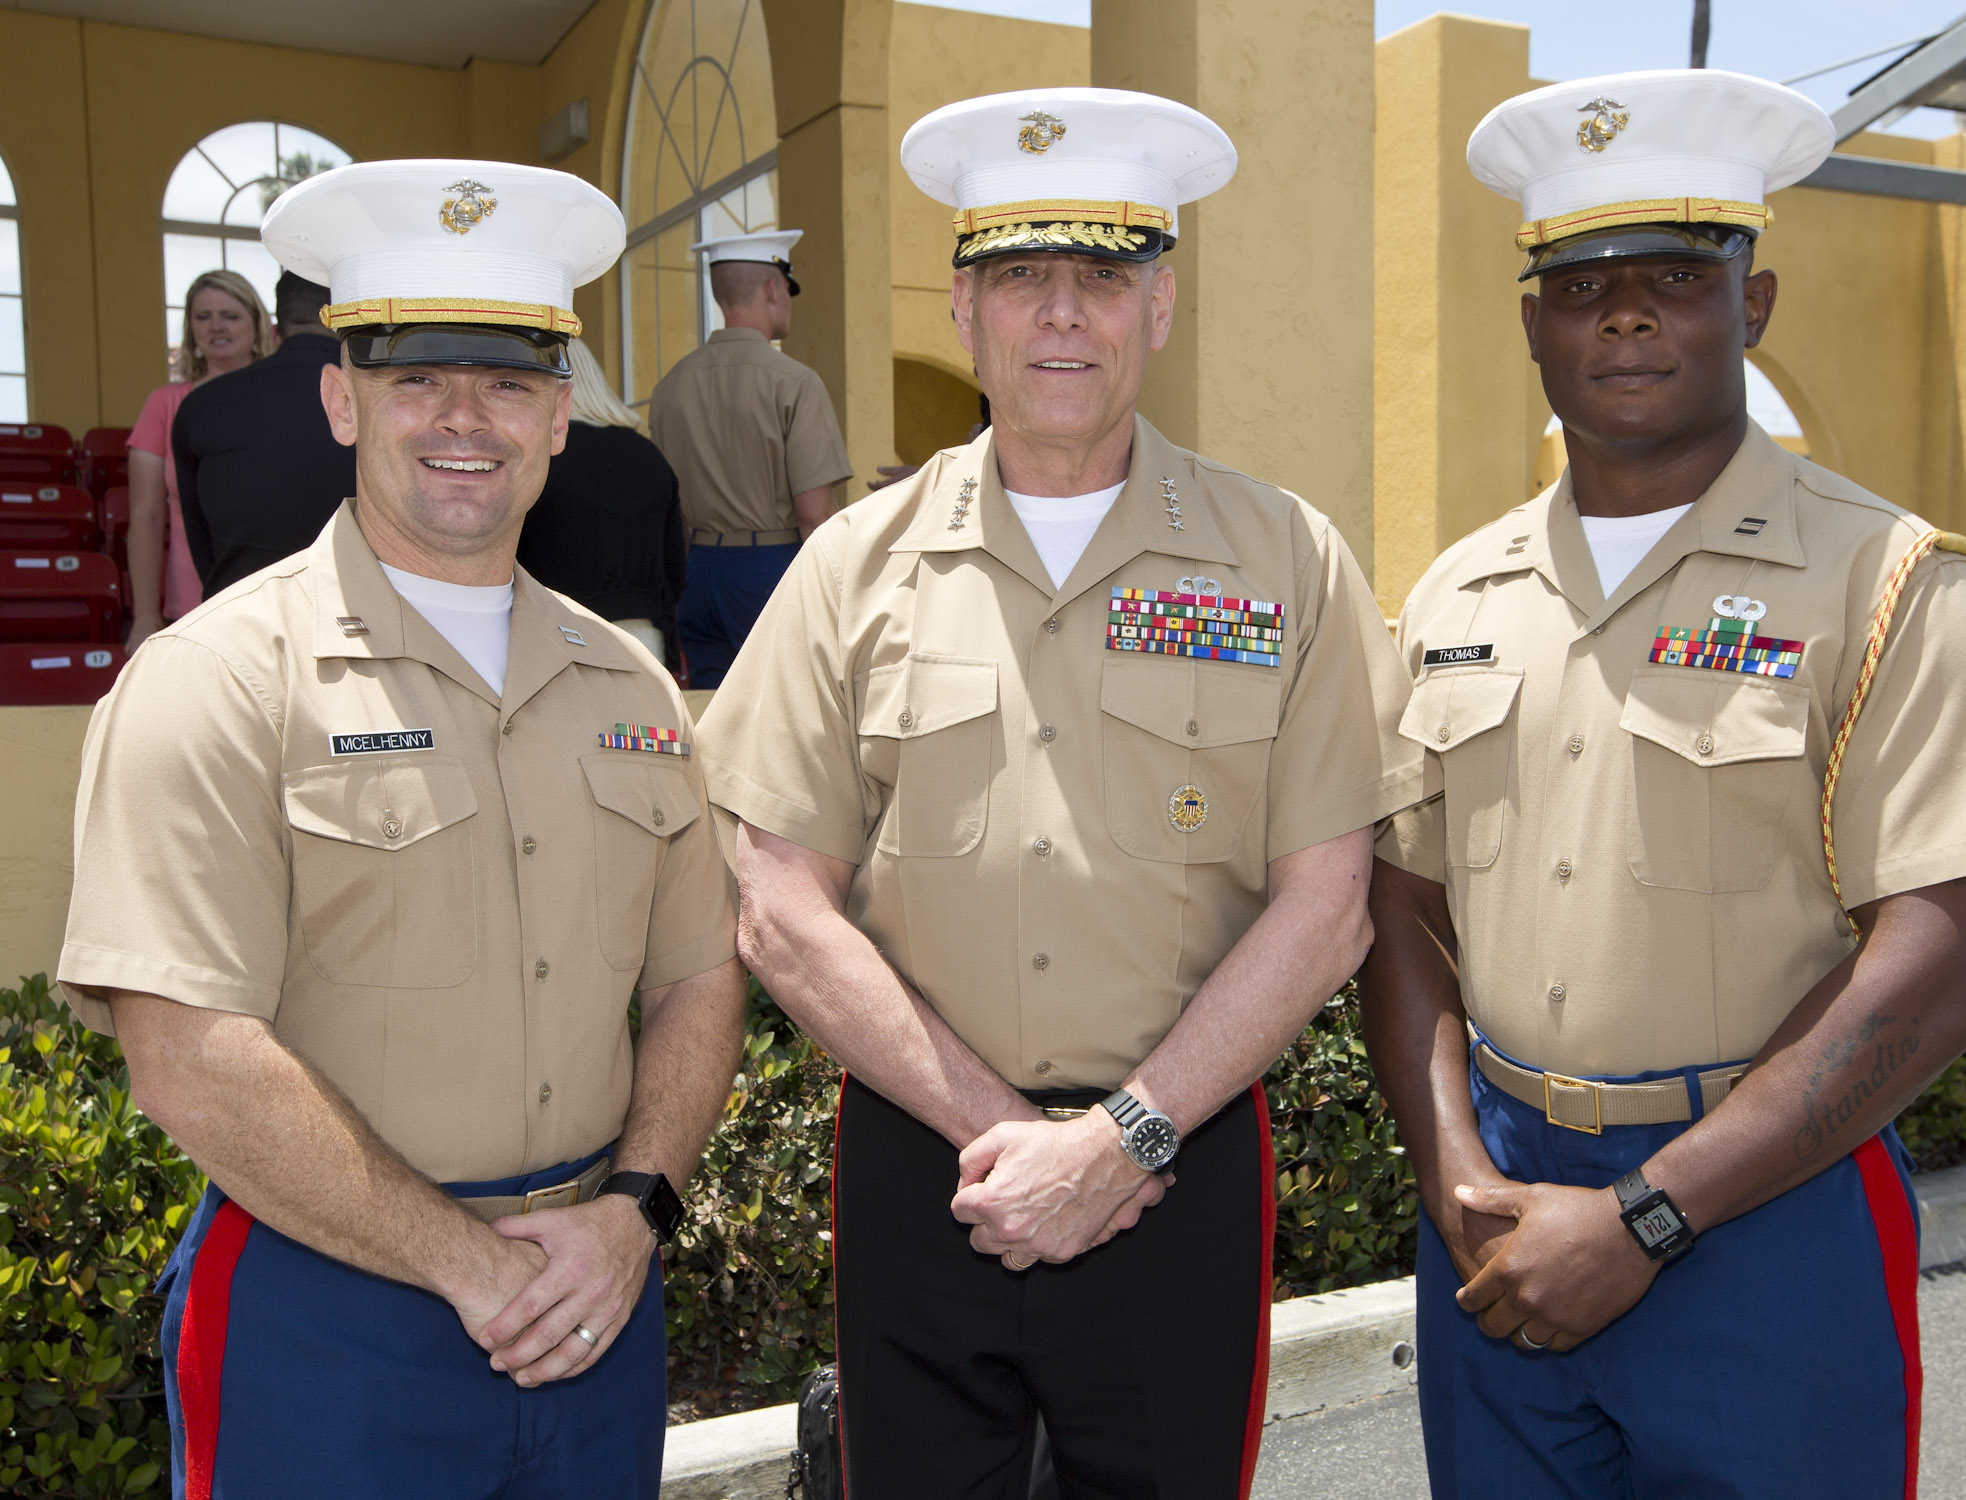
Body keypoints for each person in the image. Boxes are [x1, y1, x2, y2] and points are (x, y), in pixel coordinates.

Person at [1358, 71, 1966, 1500]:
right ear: (1531, 323)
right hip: (1499, 1206)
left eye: (1676, 276)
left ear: (1752, 306)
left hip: (1769, 1215)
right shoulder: (1457, 590)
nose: (1624, 313)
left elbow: (1941, 968)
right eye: (1580, 283)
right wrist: (1451, 1173)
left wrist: (1645, 1220)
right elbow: (1395, 905)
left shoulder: (1886, 582)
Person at [700, 88, 1409, 1499]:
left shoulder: (1287, 557)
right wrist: (1006, 1136)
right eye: (1023, 276)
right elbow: (780, 903)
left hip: (1182, 1157)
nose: (1064, 314)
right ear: (964, 309)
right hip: (924, 1161)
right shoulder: (851, 567)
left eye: (1104, 274)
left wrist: (1124, 1137)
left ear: (1159, 306)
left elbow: (1328, 906)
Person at [57, 159, 746, 1499]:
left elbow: (699, 976)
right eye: (414, 377)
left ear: (561, 416)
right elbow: (187, 1055)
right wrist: (469, 1267)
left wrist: (634, 1211)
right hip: (333, 1312)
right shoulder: (220, 679)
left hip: (597, 1291)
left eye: (507, 381)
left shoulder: (630, 686)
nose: (462, 419)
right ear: (338, 396)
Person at [648, 228, 852, 686]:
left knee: (712, 708)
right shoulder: (794, 382)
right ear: (772, 288)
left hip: (697, 570)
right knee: (788, 708)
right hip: (773, 566)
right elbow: (815, 515)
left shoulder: (669, 388)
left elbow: (670, 510)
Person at [172, 269, 360, 598]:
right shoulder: (378, 401)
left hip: (238, 610)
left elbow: (203, 545)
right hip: (355, 609)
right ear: (347, 318)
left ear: (276, 326)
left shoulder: (201, 406)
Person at [515, 337, 685, 669]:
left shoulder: (541, 459)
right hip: (644, 640)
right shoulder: (648, 455)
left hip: (556, 636)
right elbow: (675, 568)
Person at [126, 269, 270, 649]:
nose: (216, 327)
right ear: (190, 329)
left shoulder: (282, 399)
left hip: (276, 595)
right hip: (192, 602)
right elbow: (145, 516)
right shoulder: (163, 404)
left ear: (258, 325)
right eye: (203, 317)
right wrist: (144, 617)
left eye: (231, 316)